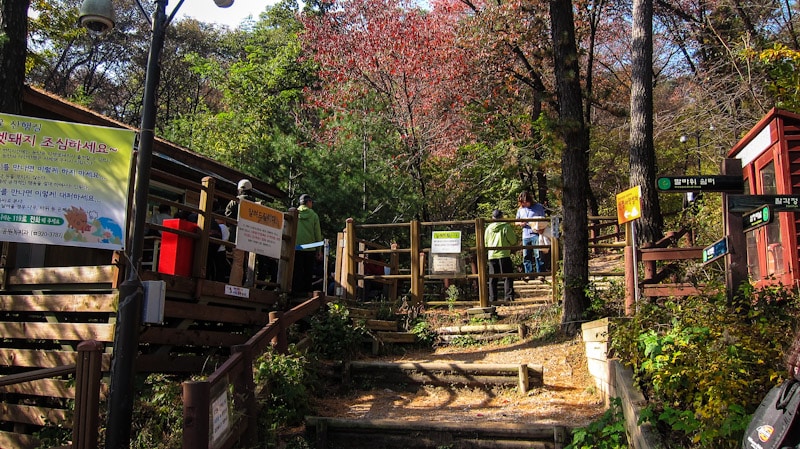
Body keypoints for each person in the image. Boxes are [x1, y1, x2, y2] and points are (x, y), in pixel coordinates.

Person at [485, 209, 518, 302]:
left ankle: (492, 298)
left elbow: (486, 243)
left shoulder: (488, 228)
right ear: (502, 217)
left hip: (492, 255)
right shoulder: (506, 227)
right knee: (507, 276)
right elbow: (513, 240)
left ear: (493, 217)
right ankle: (508, 297)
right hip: (504, 254)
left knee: (493, 278)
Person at [293, 194, 322, 296]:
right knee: (308, 272)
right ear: (308, 202)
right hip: (310, 248)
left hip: (296, 247)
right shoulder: (314, 216)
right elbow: (317, 234)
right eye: (311, 202)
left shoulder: (294, 213)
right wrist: (319, 250)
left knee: (297, 271)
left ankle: (295, 292)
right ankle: (307, 293)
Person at [515, 191, 546, 274]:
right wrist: (521, 223)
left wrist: (541, 228)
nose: (524, 204)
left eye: (525, 202)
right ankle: (529, 273)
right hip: (525, 234)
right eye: (522, 203)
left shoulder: (538, 207)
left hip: (536, 233)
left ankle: (540, 273)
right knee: (526, 255)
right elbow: (516, 222)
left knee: (538, 254)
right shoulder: (520, 209)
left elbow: (543, 219)